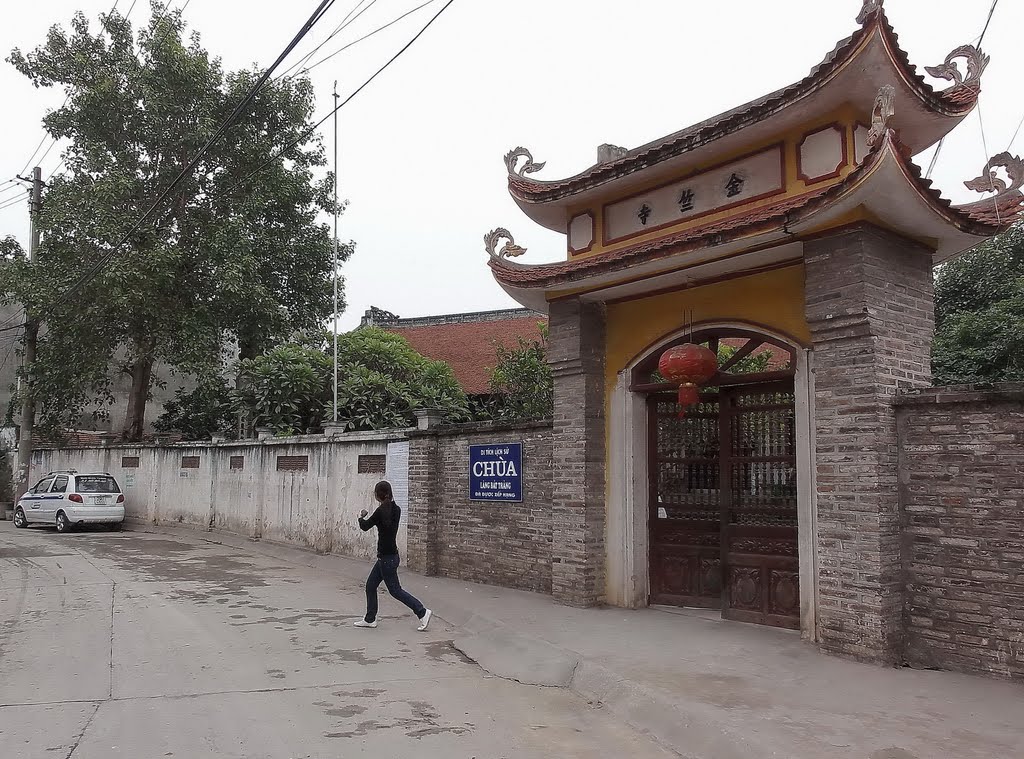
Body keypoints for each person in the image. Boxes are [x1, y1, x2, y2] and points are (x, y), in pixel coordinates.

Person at [354, 480, 432, 631]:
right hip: (391, 556)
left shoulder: (380, 512)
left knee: (395, 590)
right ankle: (370, 619)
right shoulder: (397, 509)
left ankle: (422, 612)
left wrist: (360, 516)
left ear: (378, 495)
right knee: (370, 585)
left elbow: (364, 527)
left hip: (386, 559)